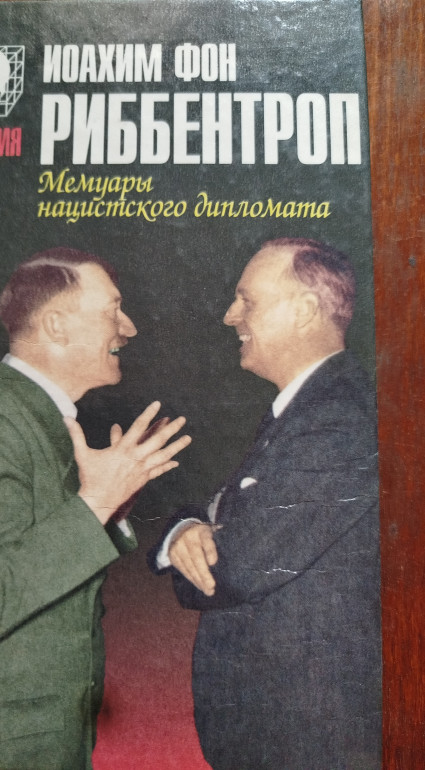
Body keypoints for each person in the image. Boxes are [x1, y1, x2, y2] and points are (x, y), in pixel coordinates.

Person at [0, 247, 191, 770]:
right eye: (113, 310)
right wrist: (95, 502)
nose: (129, 327)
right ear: (56, 325)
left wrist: (111, 507)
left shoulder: (27, 418)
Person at [149, 238, 381, 770]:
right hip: (285, 727)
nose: (230, 316)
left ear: (304, 310)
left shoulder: (336, 418)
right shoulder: (305, 408)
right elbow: (222, 510)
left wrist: (189, 546)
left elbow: (234, 569)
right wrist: (184, 528)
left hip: (311, 735)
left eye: (246, 300)